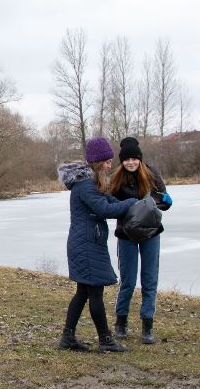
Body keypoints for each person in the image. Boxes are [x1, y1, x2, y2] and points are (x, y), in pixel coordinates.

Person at [56, 137, 138, 353]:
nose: (111, 165)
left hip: (88, 244)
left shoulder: (92, 184)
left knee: (83, 292)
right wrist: (133, 203)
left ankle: (68, 338)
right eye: (108, 161)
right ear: (98, 162)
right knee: (94, 294)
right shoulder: (85, 186)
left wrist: (133, 202)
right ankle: (105, 340)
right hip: (86, 246)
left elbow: (112, 203)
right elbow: (105, 210)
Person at [109, 137, 172, 344]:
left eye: (134, 158)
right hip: (126, 235)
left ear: (139, 159)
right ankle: (121, 322)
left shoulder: (152, 174)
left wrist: (158, 204)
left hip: (151, 233)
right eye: (126, 159)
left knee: (150, 280)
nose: (131, 163)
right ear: (122, 161)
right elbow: (110, 204)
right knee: (127, 281)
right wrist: (130, 206)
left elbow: (164, 200)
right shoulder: (117, 179)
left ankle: (147, 325)